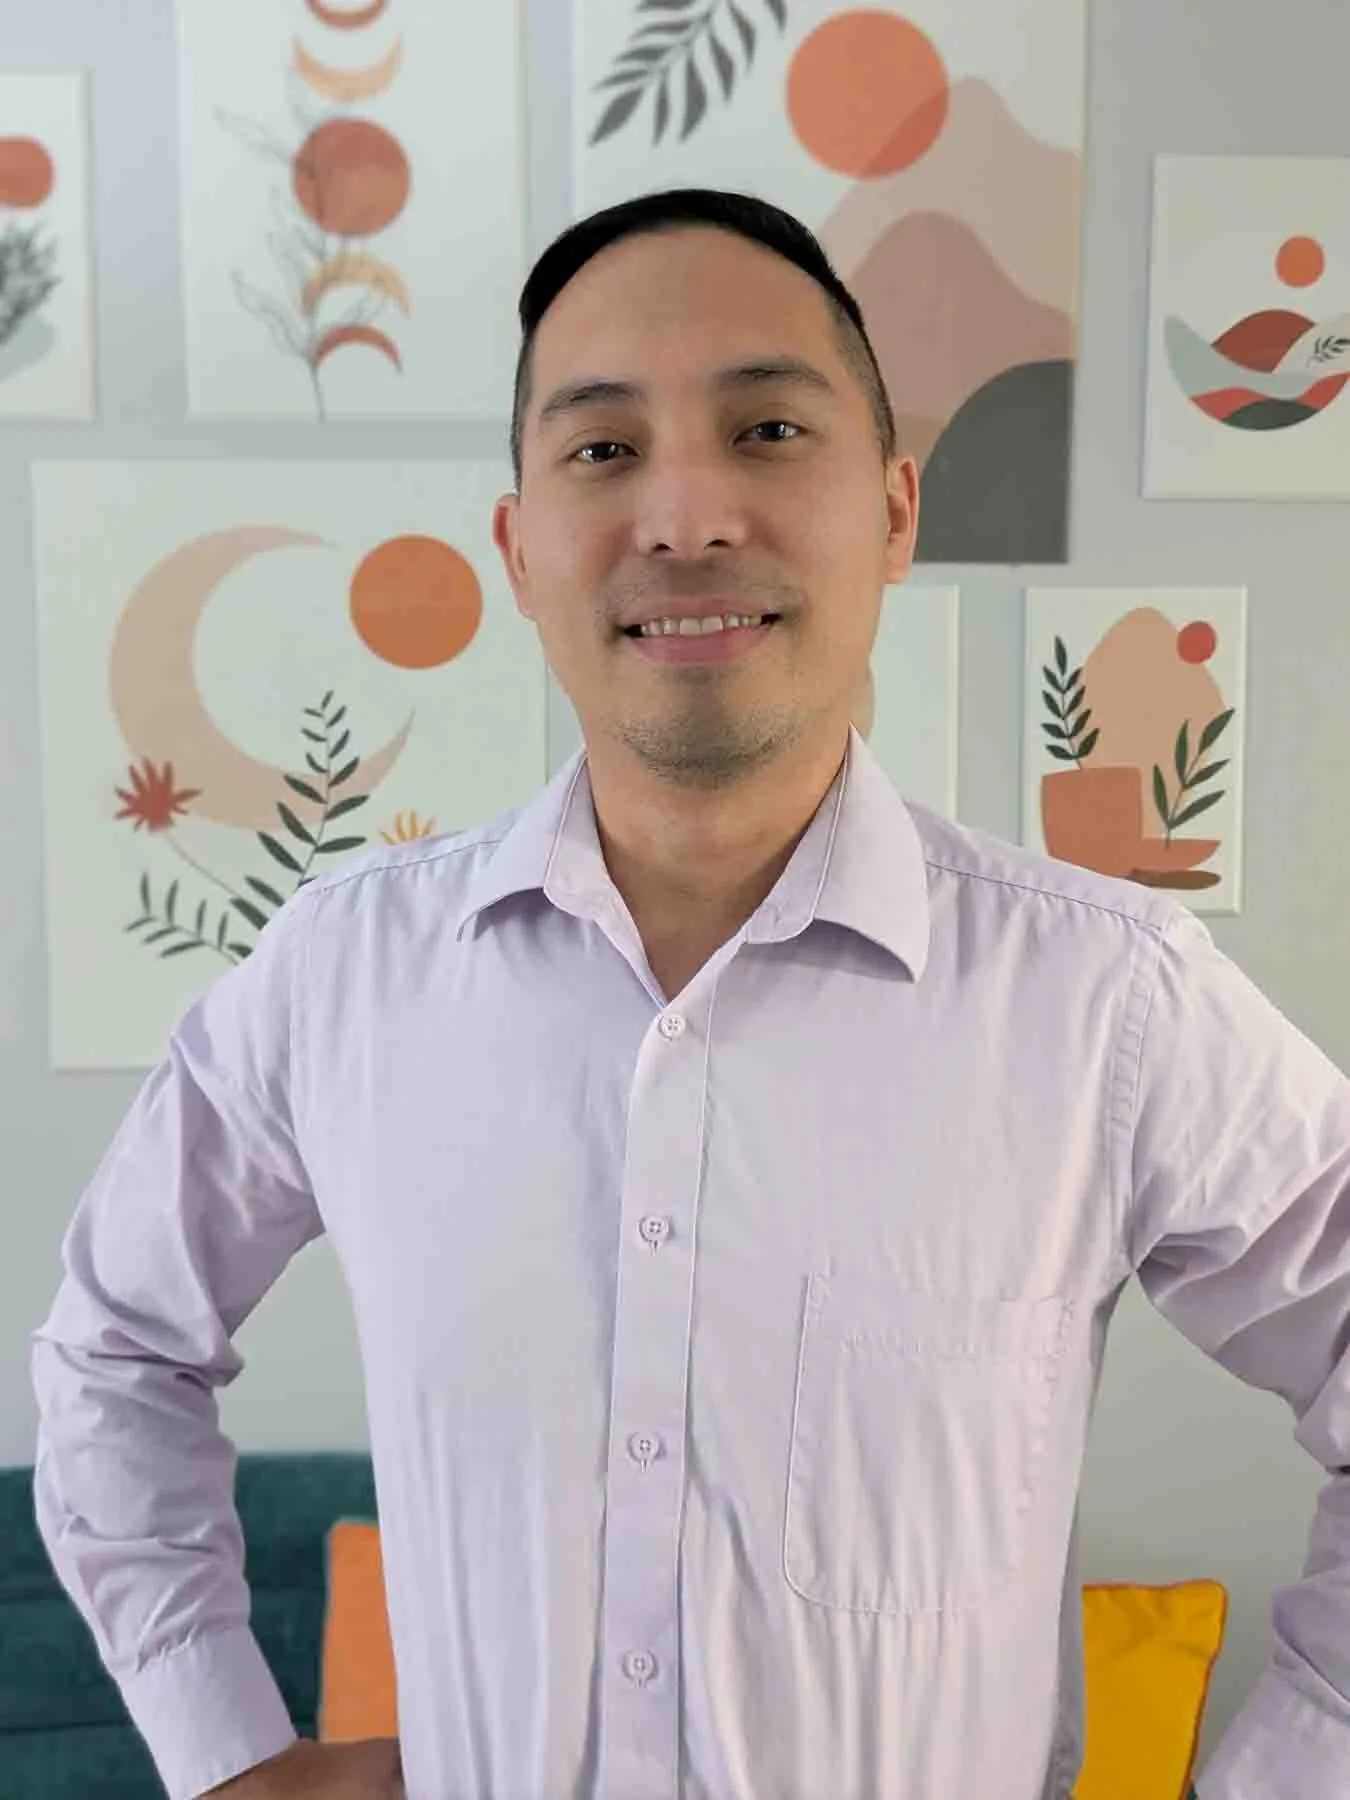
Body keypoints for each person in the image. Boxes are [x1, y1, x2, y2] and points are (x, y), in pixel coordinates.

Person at [30, 187, 1350, 1800]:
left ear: (893, 509)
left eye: (768, 429)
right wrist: (222, 1747)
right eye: (600, 450)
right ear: (517, 548)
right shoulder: (339, 976)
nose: (685, 514)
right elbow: (112, 1352)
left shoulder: (1106, 1001)